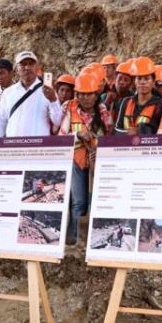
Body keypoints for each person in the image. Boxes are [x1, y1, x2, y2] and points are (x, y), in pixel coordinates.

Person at [58, 73, 111, 245]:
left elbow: (109, 137)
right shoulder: (70, 110)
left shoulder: (103, 112)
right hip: (76, 160)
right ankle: (74, 239)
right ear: (77, 94)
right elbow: (61, 137)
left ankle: (91, 239)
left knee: (95, 200)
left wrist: (99, 149)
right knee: (79, 201)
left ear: (96, 94)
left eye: (89, 94)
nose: (85, 98)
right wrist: (77, 134)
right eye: (81, 94)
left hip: (98, 162)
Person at [0, 51, 63, 137]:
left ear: (37, 67)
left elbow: (58, 121)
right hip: (13, 147)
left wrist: (53, 100)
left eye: (31, 64)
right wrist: (0, 144)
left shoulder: (48, 91)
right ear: (16, 69)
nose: (27, 67)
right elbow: (1, 122)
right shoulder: (8, 93)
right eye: (23, 64)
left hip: (39, 148)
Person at [114, 57, 162, 135]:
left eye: (146, 79)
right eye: (139, 78)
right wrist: (127, 133)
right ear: (134, 81)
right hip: (126, 146)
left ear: (153, 82)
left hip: (151, 147)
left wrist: (141, 131)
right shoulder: (125, 102)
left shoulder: (160, 105)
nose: (142, 82)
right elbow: (117, 130)